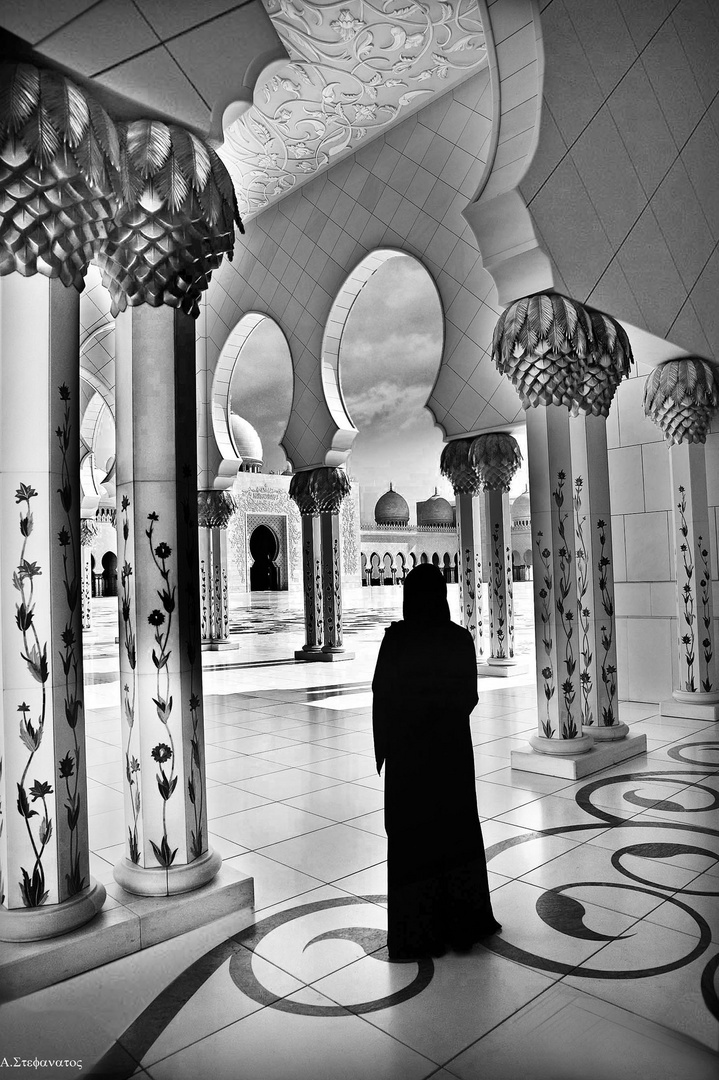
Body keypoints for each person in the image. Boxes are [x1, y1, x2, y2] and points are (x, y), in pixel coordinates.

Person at [372, 563, 501, 959]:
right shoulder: (460, 639)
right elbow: (470, 698)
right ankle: (462, 926)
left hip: (410, 763)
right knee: (455, 834)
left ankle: (418, 935)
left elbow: (382, 695)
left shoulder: (396, 641)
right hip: (451, 759)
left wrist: (391, 745)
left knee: (414, 840)